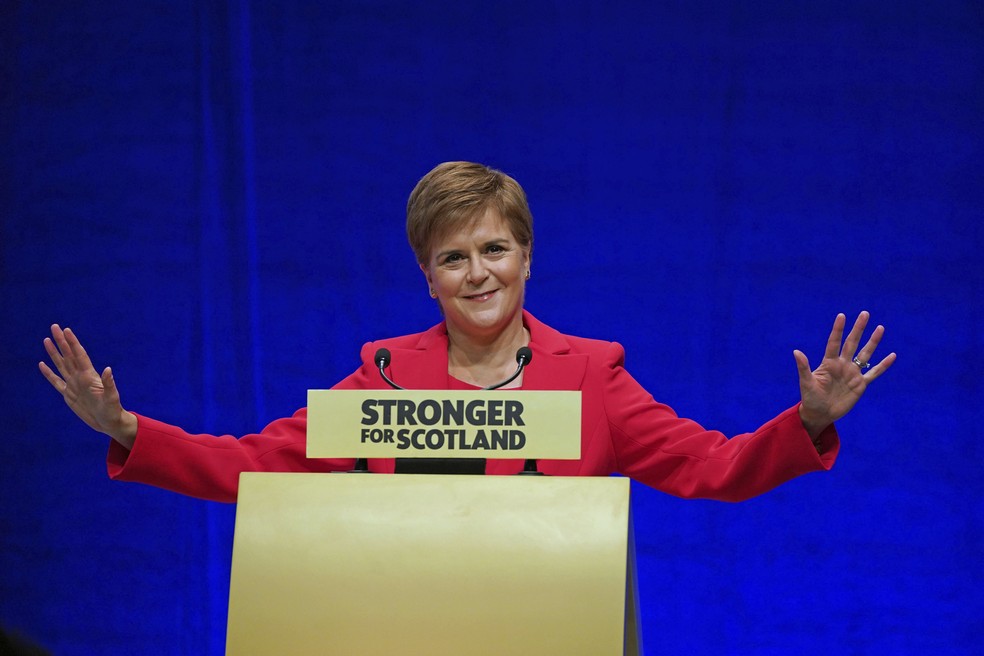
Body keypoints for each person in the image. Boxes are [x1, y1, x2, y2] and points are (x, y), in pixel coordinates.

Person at [39, 161, 896, 503]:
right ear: (428, 276)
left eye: (495, 249)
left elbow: (715, 467)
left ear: (527, 258)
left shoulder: (590, 377)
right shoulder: (383, 380)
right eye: (454, 257)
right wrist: (128, 431)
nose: (477, 273)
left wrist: (810, 422)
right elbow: (257, 466)